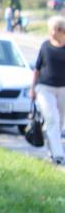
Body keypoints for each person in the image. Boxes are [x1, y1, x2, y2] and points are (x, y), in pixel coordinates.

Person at [31, 15, 65, 165]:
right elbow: (37, 69)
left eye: (54, 29)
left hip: (63, 89)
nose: (51, 32)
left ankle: (52, 150)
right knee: (52, 118)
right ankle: (59, 155)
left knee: (59, 122)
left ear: (60, 30)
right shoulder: (45, 46)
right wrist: (32, 88)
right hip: (45, 88)